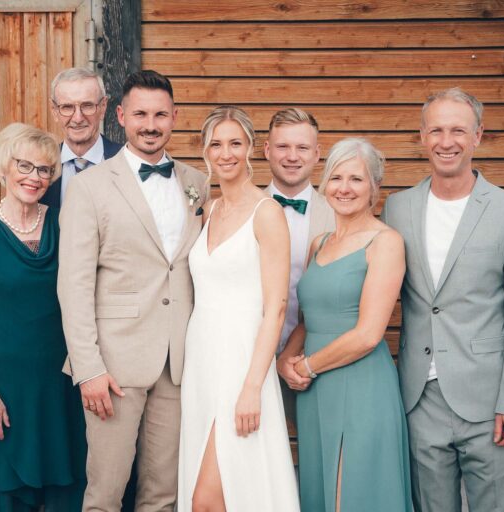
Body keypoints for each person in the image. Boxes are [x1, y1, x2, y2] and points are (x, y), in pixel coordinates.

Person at [381, 88, 504, 512]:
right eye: (436, 130)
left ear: (478, 136)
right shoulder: (397, 208)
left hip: (490, 403)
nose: (446, 141)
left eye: (458, 130)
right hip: (419, 401)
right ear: (422, 137)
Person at [58, 70, 209, 512]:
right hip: (114, 366)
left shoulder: (195, 181)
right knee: (105, 493)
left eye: (160, 114)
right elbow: (74, 285)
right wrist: (88, 369)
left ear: (174, 117)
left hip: (178, 362)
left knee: (163, 494)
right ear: (121, 116)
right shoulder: (89, 186)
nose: (150, 124)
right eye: (140, 113)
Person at [0, 123, 86, 511]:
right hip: (4, 386)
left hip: (62, 381)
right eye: (25, 166)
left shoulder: (64, 223)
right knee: (5, 495)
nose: (35, 177)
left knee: (66, 488)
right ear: (4, 168)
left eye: (44, 170)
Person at [280, 137, 413, 511]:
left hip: (360, 385)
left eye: (356, 179)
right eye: (336, 177)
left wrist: (305, 366)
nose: (344, 188)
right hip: (314, 391)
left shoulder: (385, 242)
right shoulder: (320, 243)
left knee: (352, 495)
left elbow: (369, 334)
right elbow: (308, 317)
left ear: (374, 187)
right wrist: (283, 360)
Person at [178, 106, 300, 512]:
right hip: (201, 361)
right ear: (204, 151)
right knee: (211, 490)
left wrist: (252, 387)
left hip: (242, 363)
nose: (225, 153)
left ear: (251, 148)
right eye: (216, 144)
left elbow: (277, 309)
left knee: (210, 500)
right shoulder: (208, 211)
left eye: (235, 143)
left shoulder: (268, 214)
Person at [265, 107, 335, 426]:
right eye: (283, 146)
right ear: (267, 151)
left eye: (302, 147)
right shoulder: (240, 213)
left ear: (317, 154)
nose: (292, 156)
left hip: (318, 363)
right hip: (253, 364)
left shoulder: (338, 217)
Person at [42, 67, 122, 208]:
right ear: (54, 111)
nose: (78, 118)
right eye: (67, 107)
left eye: (87, 106)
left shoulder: (126, 161)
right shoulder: (41, 168)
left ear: (103, 107)